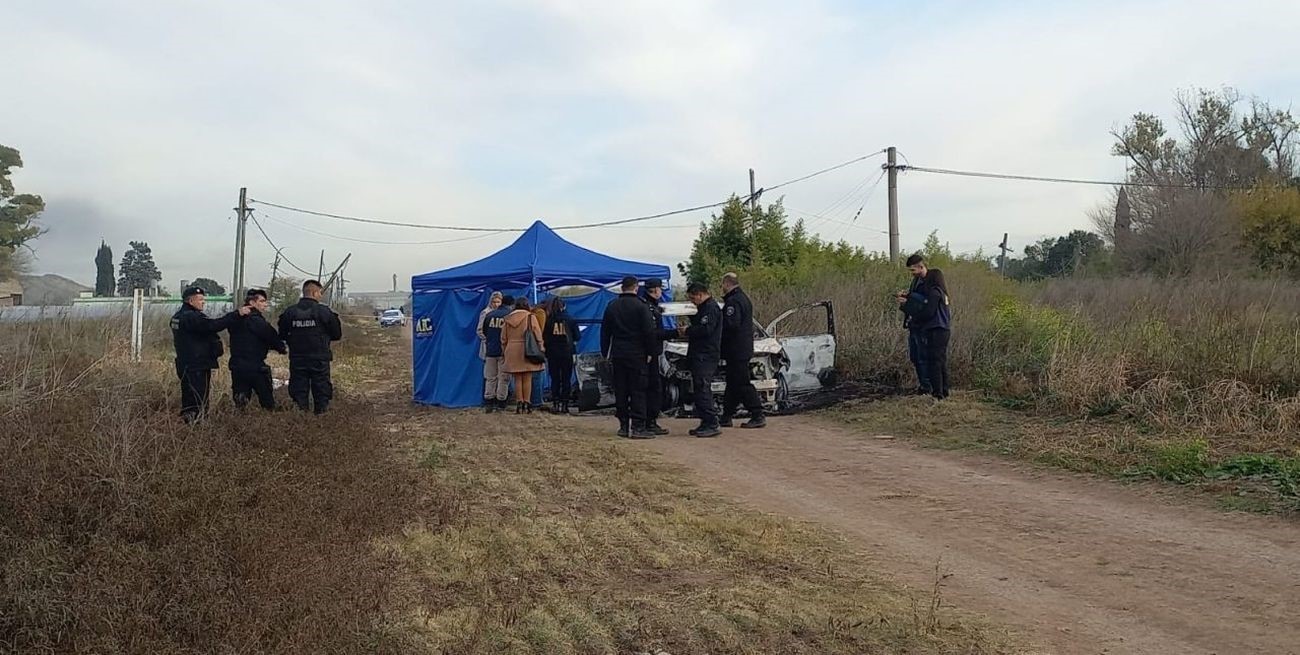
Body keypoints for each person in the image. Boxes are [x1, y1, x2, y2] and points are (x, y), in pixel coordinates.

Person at [171, 285, 249, 423]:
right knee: (198, 400)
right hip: (196, 365)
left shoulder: (177, 317)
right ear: (190, 301)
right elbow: (213, 325)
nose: (203, 302)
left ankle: (189, 424)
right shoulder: (191, 317)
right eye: (200, 299)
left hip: (185, 364)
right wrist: (237, 314)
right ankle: (197, 427)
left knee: (189, 399)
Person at [600, 275, 656, 438]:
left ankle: (623, 425)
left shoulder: (612, 306)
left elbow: (605, 333)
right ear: (636, 287)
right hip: (637, 354)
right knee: (638, 390)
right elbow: (649, 332)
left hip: (618, 353)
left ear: (622, 288)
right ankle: (638, 427)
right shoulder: (641, 306)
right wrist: (651, 352)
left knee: (621, 389)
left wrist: (605, 353)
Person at [277, 279, 343, 414]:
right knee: (321, 391)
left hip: (298, 359)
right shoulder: (324, 312)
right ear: (314, 292)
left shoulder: (290, 312)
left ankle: (302, 419)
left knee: (299, 392)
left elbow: (282, 334)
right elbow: (337, 335)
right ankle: (321, 419)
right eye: (320, 293)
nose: (321, 296)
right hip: (319, 359)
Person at [718, 272, 766, 429]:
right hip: (740, 349)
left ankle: (757, 413)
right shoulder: (743, 298)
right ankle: (726, 415)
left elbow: (732, 325)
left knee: (742, 383)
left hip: (736, 349)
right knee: (732, 383)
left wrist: (718, 329)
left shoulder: (734, 301)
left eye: (722, 285)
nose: (722, 288)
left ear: (726, 284)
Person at [226, 288, 286, 410]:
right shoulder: (257, 321)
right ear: (252, 303)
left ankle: (239, 423)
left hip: (237, 365)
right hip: (255, 366)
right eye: (262, 301)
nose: (265, 304)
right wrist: (282, 348)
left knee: (241, 402)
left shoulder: (235, 319)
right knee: (267, 402)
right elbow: (271, 336)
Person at [900, 267, 952, 399]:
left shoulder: (934, 293)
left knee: (934, 361)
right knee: (940, 361)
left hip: (936, 328)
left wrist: (912, 312)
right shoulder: (942, 293)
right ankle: (944, 390)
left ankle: (937, 393)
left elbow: (929, 312)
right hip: (943, 329)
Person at [680, 282, 723, 438]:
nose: (692, 302)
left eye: (693, 298)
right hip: (700, 353)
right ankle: (705, 421)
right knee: (699, 389)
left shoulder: (711, 308)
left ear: (699, 294)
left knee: (703, 388)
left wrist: (688, 330)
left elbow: (706, 330)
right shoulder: (703, 309)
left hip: (706, 355)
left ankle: (711, 422)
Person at [640, 278, 676, 435]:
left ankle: (648, 420)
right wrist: (676, 332)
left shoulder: (650, 306)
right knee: (653, 387)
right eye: (660, 289)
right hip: (650, 353)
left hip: (650, 352)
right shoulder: (649, 309)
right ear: (655, 290)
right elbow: (653, 333)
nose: (661, 292)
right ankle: (650, 421)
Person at [501, 296, 545, 414]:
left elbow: (503, 338)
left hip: (512, 349)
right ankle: (527, 402)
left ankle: (519, 403)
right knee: (527, 378)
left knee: (517, 378)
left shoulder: (507, 319)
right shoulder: (531, 317)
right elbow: (537, 333)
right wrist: (541, 347)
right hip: (527, 349)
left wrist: (505, 351)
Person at [897, 254, 931, 395]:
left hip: (923, 325)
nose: (912, 274)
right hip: (913, 323)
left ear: (921, 266)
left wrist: (908, 300)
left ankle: (928, 387)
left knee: (923, 357)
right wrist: (906, 298)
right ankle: (923, 386)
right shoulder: (916, 281)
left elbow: (926, 304)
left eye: (913, 270)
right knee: (915, 357)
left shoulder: (930, 282)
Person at [542, 297, 580, 414]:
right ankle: (565, 405)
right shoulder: (570, 319)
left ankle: (555, 403)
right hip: (567, 352)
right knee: (566, 379)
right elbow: (577, 337)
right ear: (564, 306)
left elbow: (545, 337)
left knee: (555, 379)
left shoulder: (548, 320)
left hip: (552, 353)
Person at [480, 294, 514, 412]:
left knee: (490, 377)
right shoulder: (509, 316)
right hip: (504, 351)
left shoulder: (489, 315)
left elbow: (484, 331)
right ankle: (501, 402)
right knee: (503, 378)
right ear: (511, 305)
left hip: (490, 350)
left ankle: (489, 401)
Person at [477, 291, 503, 360]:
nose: (496, 304)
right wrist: (488, 339)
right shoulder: (485, 312)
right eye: (494, 302)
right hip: (488, 346)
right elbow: (479, 330)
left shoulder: (502, 313)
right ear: (490, 302)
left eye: (498, 302)